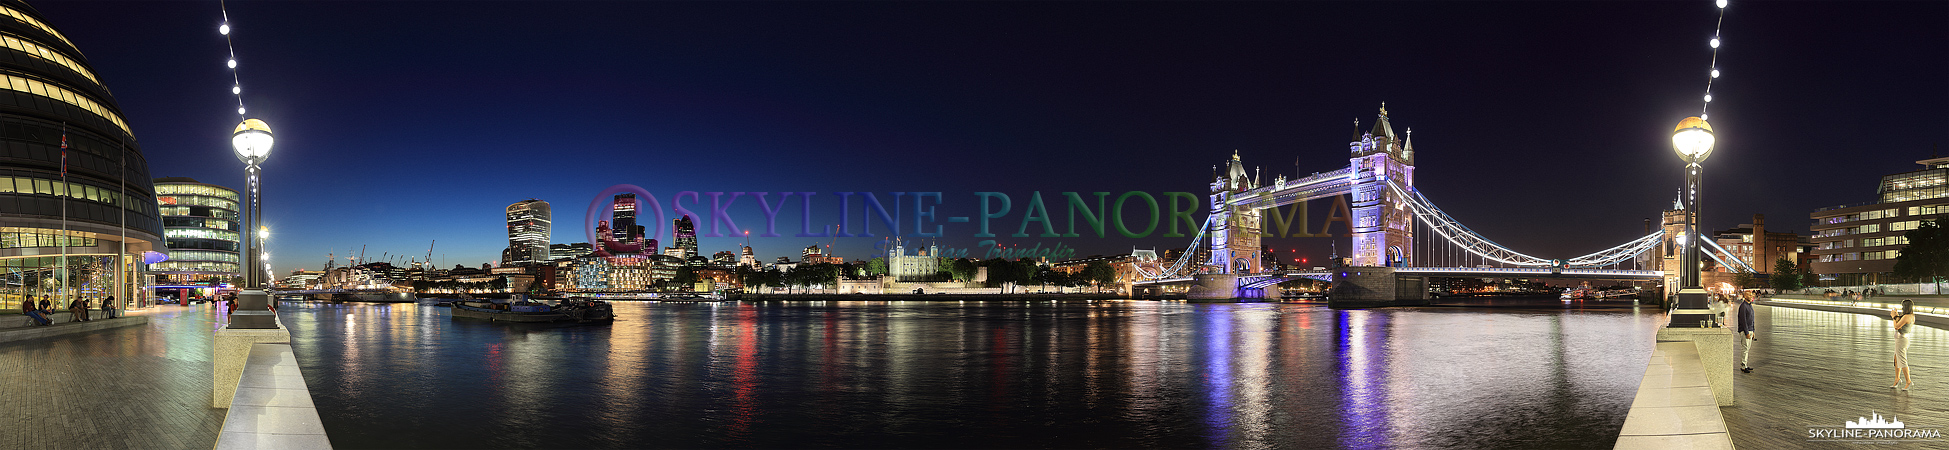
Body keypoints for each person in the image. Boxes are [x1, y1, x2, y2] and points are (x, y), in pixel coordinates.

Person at [1892, 300, 1916, 390]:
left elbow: (1896, 326)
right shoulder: (1911, 316)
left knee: (1902, 360)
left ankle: (1908, 381)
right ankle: (1897, 379)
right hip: (1901, 339)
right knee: (1896, 359)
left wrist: (1894, 317)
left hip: (1901, 340)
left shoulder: (1907, 316)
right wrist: (1896, 315)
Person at [1737, 292, 1757, 373]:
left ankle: (1745, 365)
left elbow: (1752, 319)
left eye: (1751, 295)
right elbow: (1743, 320)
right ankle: (1743, 366)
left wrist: (1753, 331)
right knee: (1745, 348)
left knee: (1747, 349)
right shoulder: (1743, 306)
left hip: (1750, 329)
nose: (1751, 296)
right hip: (1745, 331)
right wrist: (1746, 332)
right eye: (1749, 295)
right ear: (1745, 296)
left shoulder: (1749, 305)